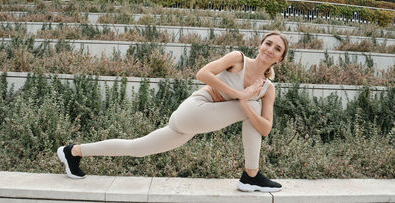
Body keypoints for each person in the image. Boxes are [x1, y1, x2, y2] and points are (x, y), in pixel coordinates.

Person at [57, 31, 289, 193]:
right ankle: (251, 175)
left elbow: (265, 128)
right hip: (195, 109)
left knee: (136, 148)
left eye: (277, 48)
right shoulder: (238, 59)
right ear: (260, 45)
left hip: (188, 128)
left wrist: (246, 101)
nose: (270, 49)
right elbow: (203, 74)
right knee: (253, 107)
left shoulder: (268, 89)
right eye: (268, 43)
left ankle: (73, 152)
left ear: (280, 58)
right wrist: (242, 96)